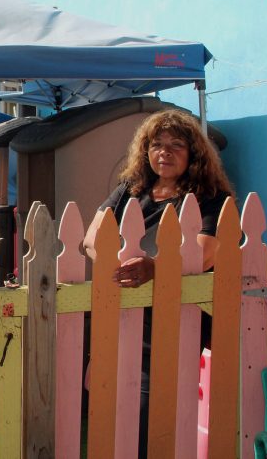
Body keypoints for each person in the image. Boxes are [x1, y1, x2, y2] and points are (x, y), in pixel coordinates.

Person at [84, 108, 233, 458]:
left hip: (176, 323)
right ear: (145, 150)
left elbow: (205, 252)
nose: (164, 152)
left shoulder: (210, 197)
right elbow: (92, 239)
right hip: (121, 317)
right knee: (112, 406)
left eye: (176, 145)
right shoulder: (130, 191)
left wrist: (153, 268)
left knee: (151, 413)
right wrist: (120, 265)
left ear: (194, 153)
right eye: (157, 144)